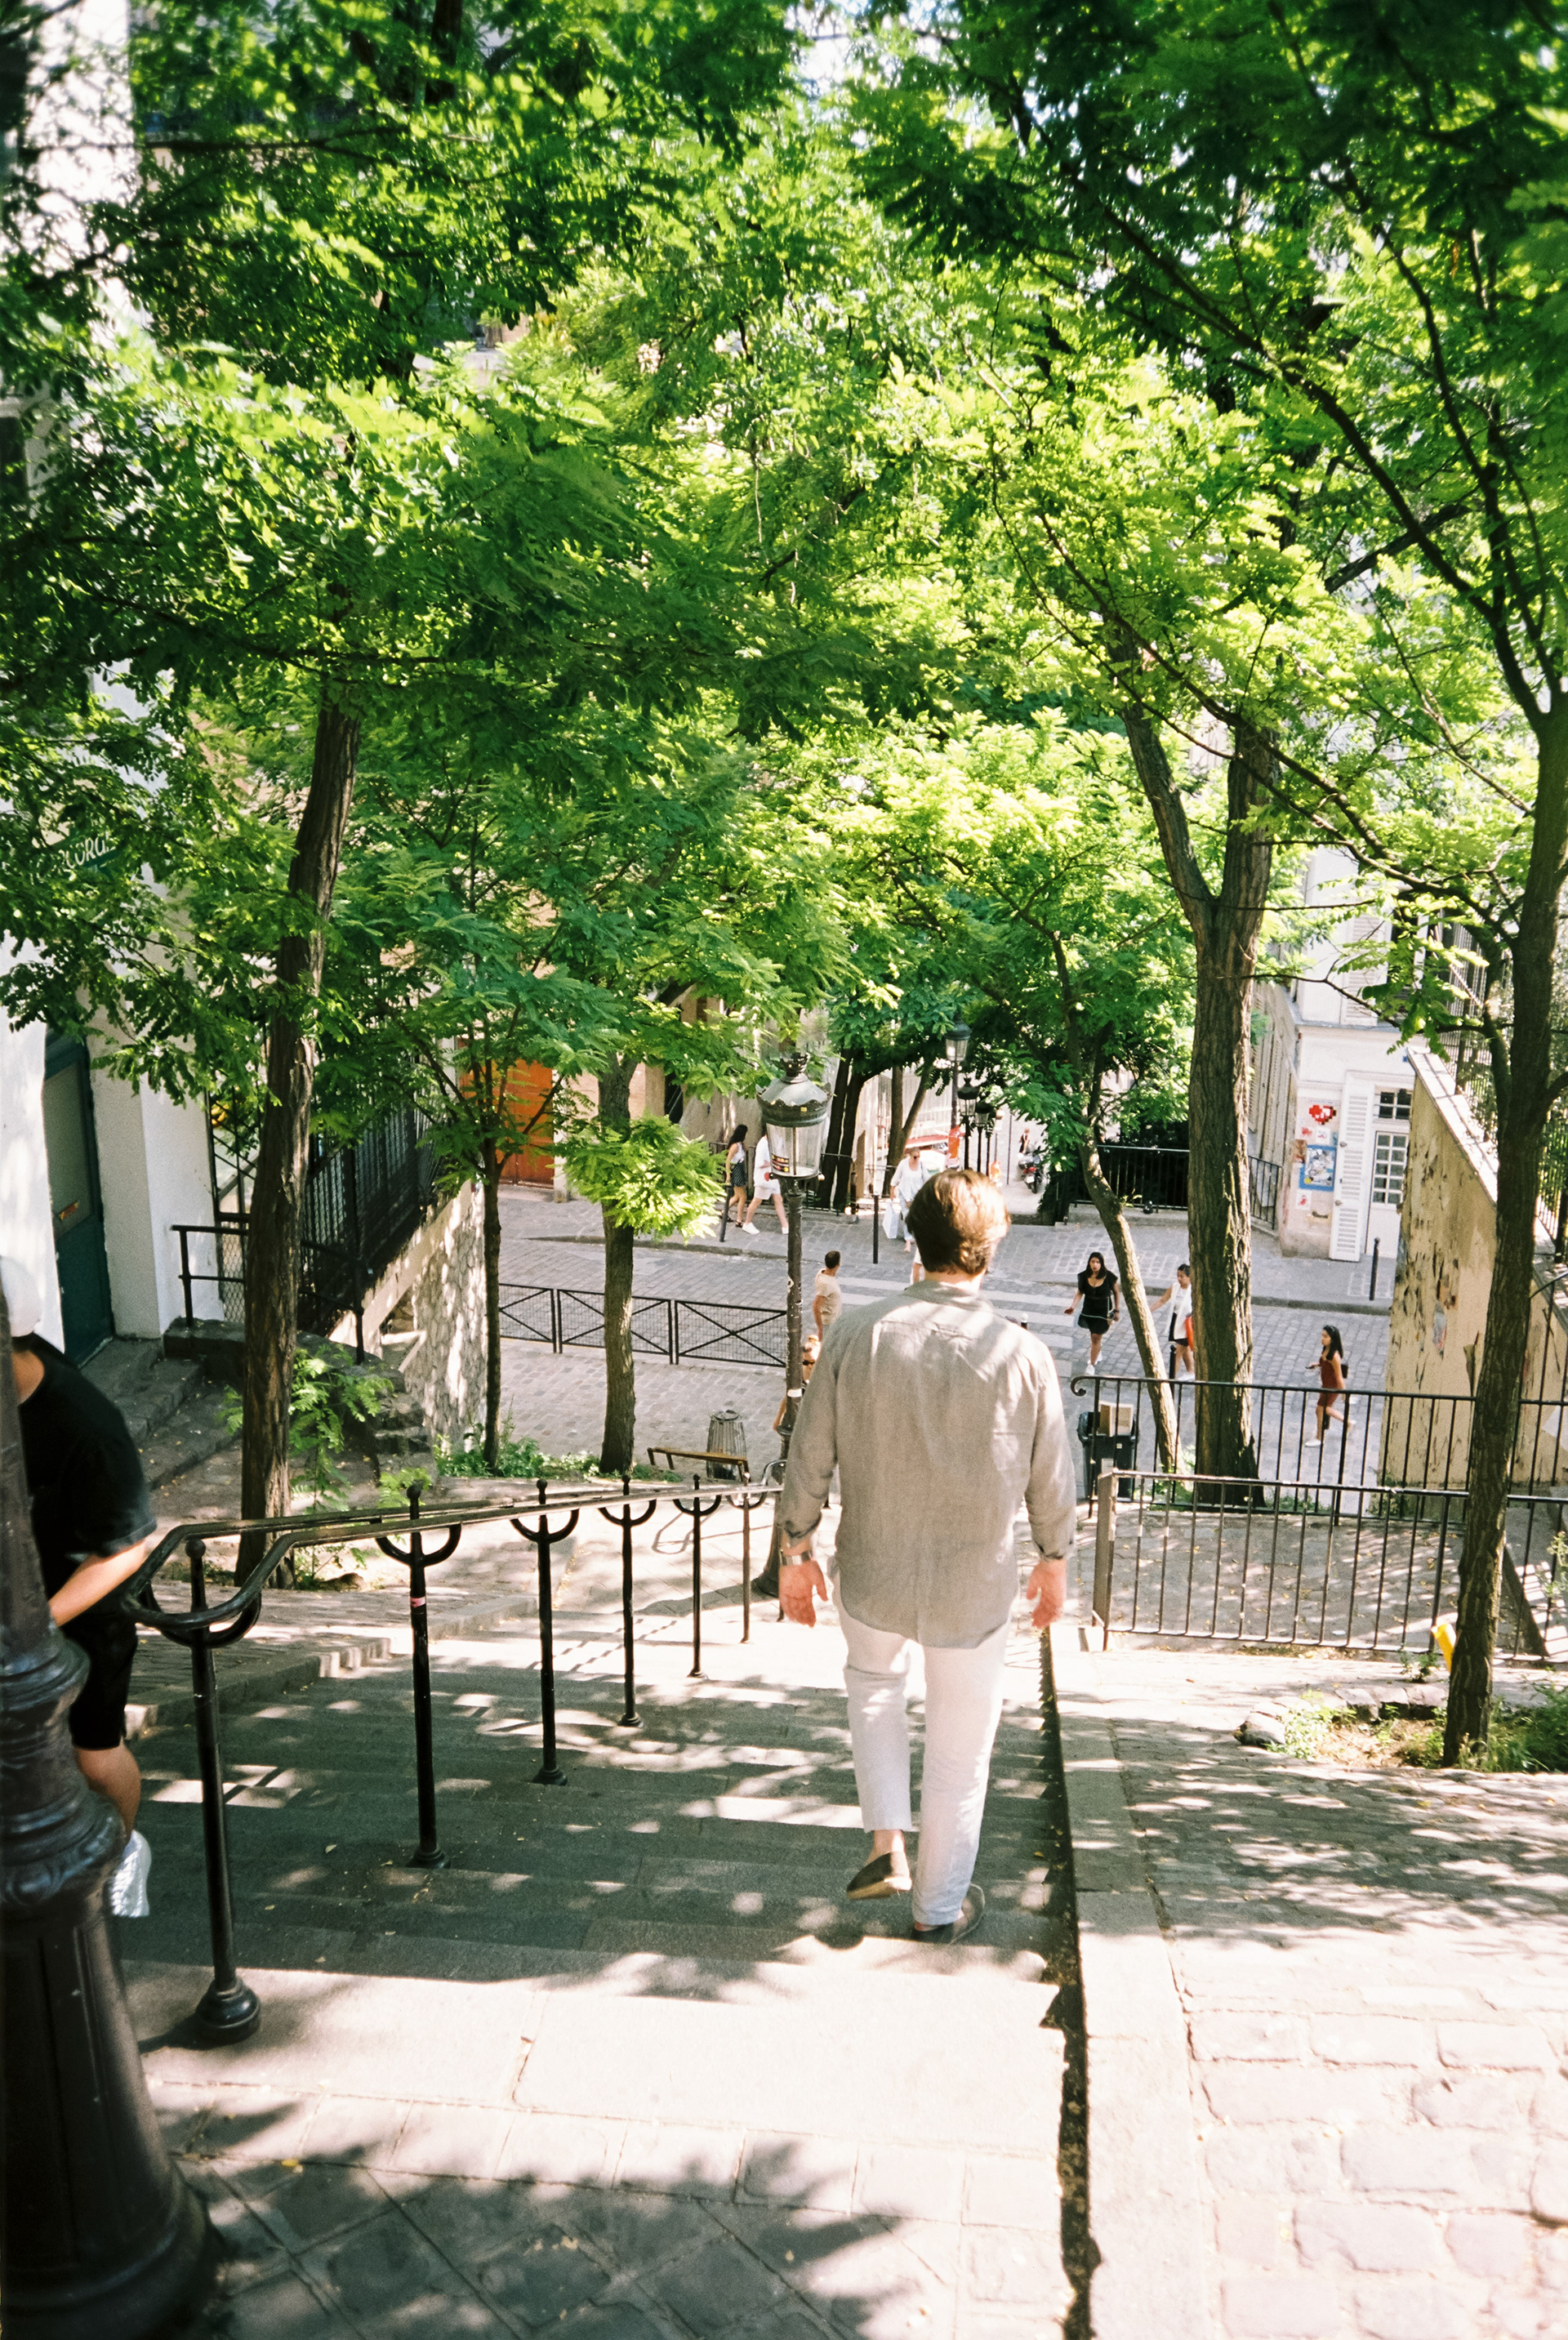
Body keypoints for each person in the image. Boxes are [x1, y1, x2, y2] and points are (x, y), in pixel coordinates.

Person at [777, 1170, 1076, 1946]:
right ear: (991, 1247)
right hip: (972, 1586)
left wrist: (794, 1549)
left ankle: (886, 1842)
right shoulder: (1023, 1354)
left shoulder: (855, 1334)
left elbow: (809, 1453)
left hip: (871, 1570)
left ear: (914, 1240)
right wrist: (1054, 1559)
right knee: (959, 1748)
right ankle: (937, 1908)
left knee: (873, 1685)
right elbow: (1052, 1476)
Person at [2, 1255, 158, 1916]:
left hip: (84, 1616)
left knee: (93, 1757)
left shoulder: (86, 1428)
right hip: (19, 1607)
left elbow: (129, 1546)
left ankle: (123, 1851)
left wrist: (43, 1619)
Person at [1065, 1250, 1120, 1367]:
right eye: (1093, 1261)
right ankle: (1097, 1350)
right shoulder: (1084, 1277)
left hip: (1103, 1311)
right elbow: (1080, 1293)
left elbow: (1116, 1292)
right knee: (1093, 1336)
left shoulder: (1109, 1277)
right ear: (1089, 1263)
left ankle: (1092, 1365)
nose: (1095, 1264)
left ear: (1102, 1264)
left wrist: (1117, 1310)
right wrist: (1073, 1306)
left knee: (1096, 1337)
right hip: (1089, 1310)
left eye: (1098, 1262)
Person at [1307, 1325, 1348, 1446]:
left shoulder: (1334, 1356)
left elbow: (1339, 1376)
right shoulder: (1326, 1350)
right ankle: (1348, 1423)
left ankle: (1319, 1438)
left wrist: (1343, 1393)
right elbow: (1325, 1363)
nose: (1322, 1338)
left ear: (1332, 1339)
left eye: (1326, 1336)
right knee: (1325, 1409)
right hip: (1326, 1385)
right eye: (1322, 1335)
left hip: (1331, 1387)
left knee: (1320, 1409)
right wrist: (1317, 1364)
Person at [742, 1128, 787, 1236]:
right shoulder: (762, 1144)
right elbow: (760, 1162)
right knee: (757, 1200)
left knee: (778, 1199)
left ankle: (785, 1225)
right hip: (764, 1178)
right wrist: (774, 1163)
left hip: (772, 1177)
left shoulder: (771, 1143)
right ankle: (747, 1223)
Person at [1155, 1264, 1194, 1379]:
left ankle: (1172, 1377)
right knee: (1184, 1349)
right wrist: (1148, 1309)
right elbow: (1163, 1300)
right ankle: (1191, 1371)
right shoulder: (1175, 1287)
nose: (1179, 1279)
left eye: (1182, 1276)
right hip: (1176, 1320)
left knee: (1177, 1352)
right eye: (1178, 1276)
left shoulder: (1193, 1291)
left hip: (1186, 1323)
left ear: (1189, 1277)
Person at [722, 1125, 751, 1232]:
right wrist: (728, 1176)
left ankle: (724, 1212)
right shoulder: (735, 1146)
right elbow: (728, 1160)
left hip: (740, 1168)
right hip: (736, 1170)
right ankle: (739, 1220)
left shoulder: (740, 1145)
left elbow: (745, 1152)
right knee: (742, 1197)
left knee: (737, 1196)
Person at [813, 1249, 844, 1338]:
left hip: (834, 1319)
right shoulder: (826, 1284)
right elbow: (816, 1306)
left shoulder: (822, 1272)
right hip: (829, 1323)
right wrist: (820, 1329)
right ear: (838, 1265)